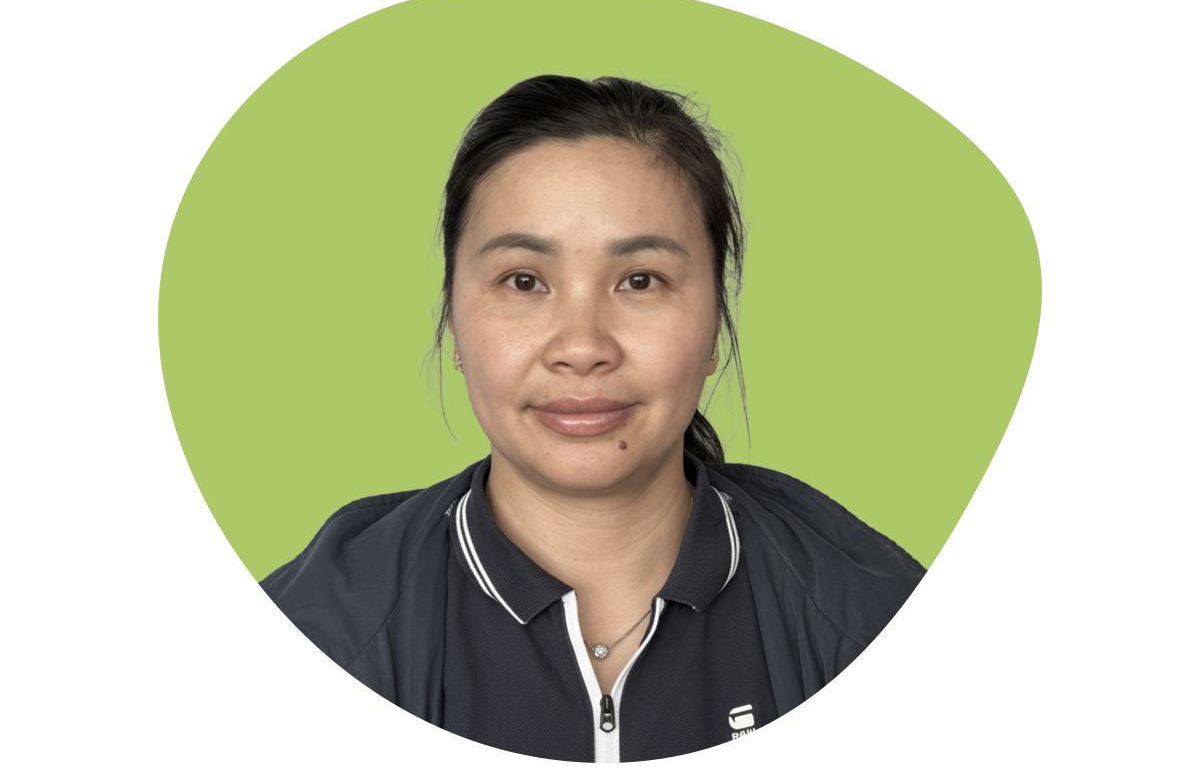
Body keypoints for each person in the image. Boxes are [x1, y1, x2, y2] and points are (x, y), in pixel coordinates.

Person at [255, 74, 927, 761]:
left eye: (640, 280)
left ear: (716, 328)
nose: (582, 348)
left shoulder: (881, 622)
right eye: (524, 281)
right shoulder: (320, 633)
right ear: (454, 323)